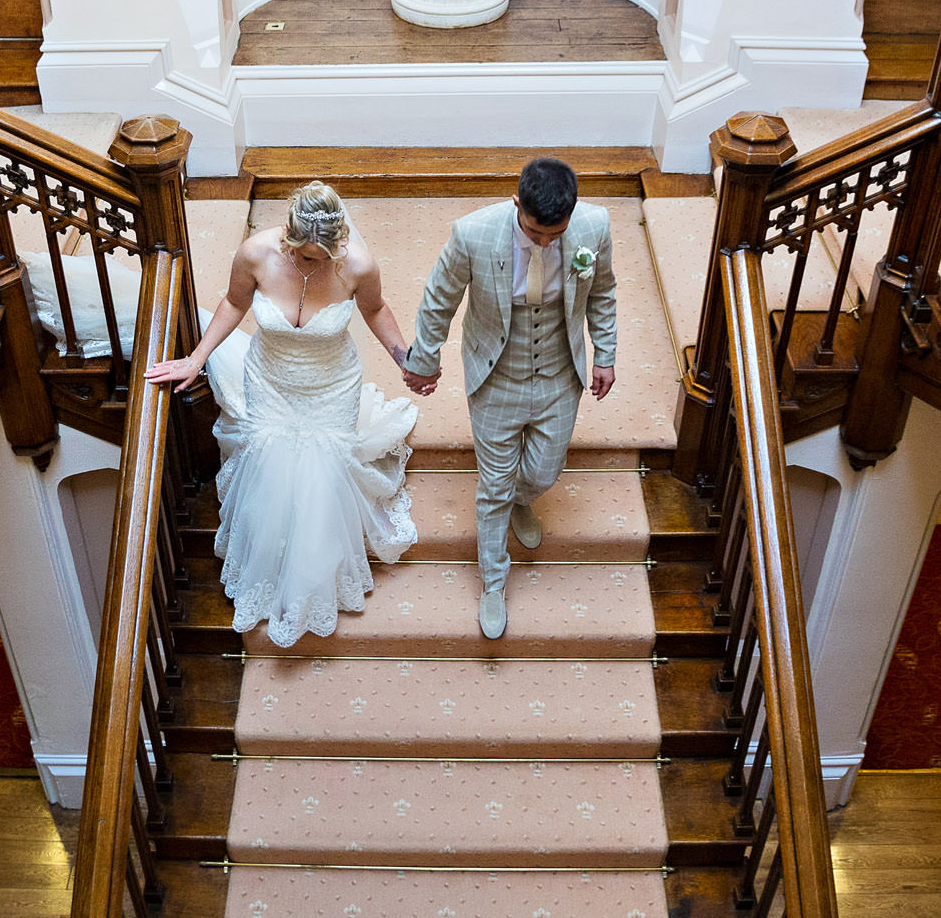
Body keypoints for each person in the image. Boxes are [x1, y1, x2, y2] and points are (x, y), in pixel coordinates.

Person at [146, 182, 417, 647]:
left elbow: (374, 309)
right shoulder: (255, 253)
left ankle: (312, 574)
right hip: (270, 379)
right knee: (271, 463)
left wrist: (404, 358)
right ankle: (268, 565)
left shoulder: (358, 266)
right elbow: (234, 302)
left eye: (321, 257)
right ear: (288, 238)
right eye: (304, 256)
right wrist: (195, 359)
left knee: (322, 471)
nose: (312, 264)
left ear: (340, 242)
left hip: (331, 383)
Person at [402, 158, 616, 640]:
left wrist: (605, 353)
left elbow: (602, 292)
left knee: (544, 470)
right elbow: (439, 298)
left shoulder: (593, 227)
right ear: (517, 204)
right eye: (536, 234)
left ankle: (525, 499)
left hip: (561, 372)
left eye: (554, 236)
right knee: (493, 485)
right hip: (497, 374)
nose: (545, 243)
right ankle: (494, 583)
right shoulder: (472, 234)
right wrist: (425, 357)